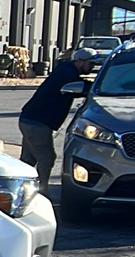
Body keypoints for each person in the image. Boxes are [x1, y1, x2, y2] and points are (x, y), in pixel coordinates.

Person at [18, 47, 97, 187]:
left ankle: (19, 187)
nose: (92, 66)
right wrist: (99, 87)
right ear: (80, 61)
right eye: (90, 63)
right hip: (37, 123)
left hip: (30, 120)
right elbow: (81, 88)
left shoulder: (66, 70)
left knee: (28, 160)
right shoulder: (68, 73)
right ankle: (41, 190)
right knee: (47, 158)